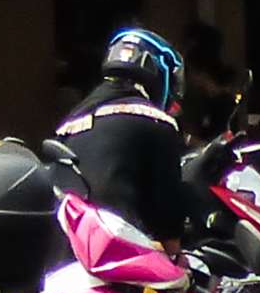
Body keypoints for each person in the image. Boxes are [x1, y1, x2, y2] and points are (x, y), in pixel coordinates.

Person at [56, 27, 194, 241]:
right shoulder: (157, 122)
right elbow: (167, 213)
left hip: (64, 251)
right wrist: (175, 253)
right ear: (157, 71)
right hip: (120, 251)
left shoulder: (72, 120)